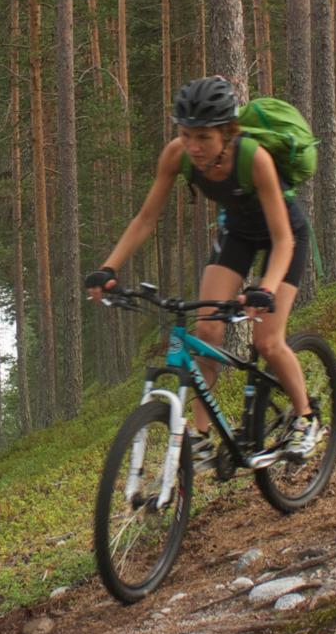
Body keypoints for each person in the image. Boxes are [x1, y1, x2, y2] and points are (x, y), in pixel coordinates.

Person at [84, 75, 318, 465]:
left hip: (284, 237)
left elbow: (282, 241)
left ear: (227, 133)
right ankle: (200, 436)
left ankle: (307, 417)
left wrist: (267, 289)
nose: (193, 146)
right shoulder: (177, 155)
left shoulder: (253, 157)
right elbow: (146, 218)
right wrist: (108, 267)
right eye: (186, 134)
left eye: (204, 138)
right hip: (237, 234)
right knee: (207, 331)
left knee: (267, 342)